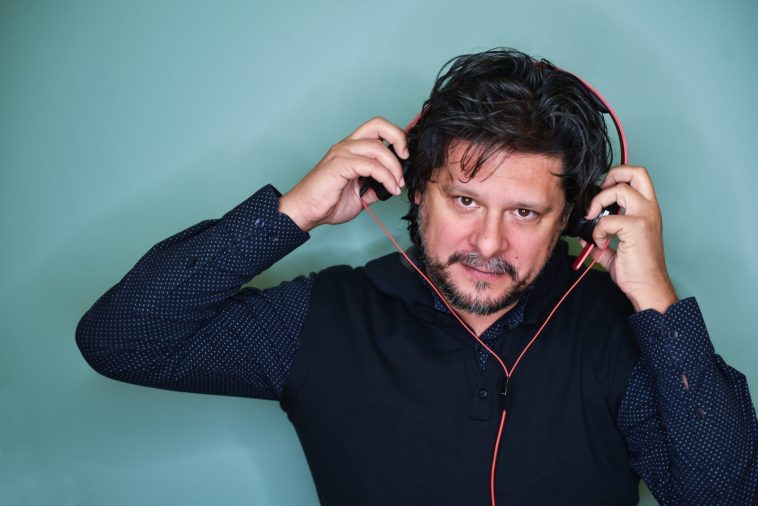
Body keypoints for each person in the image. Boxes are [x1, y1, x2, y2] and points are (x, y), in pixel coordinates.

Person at [76, 48, 758, 505]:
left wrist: (654, 295)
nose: (488, 242)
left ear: (573, 220)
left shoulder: (621, 335)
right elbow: (121, 339)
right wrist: (294, 213)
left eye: (524, 212)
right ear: (414, 190)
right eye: (465, 200)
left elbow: (725, 496)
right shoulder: (325, 316)